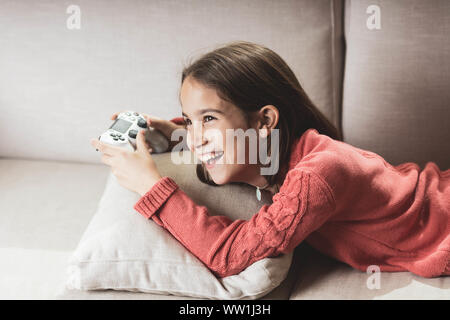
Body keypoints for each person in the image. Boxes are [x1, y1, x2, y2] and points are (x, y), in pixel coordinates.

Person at [90, 41, 449, 278]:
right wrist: (173, 133)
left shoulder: (318, 174)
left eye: (209, 118)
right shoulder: (276, 152)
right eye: (190, 119)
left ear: (264, 122)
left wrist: (150, 186)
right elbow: (223, 141)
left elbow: (230, 256)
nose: (195, 137)